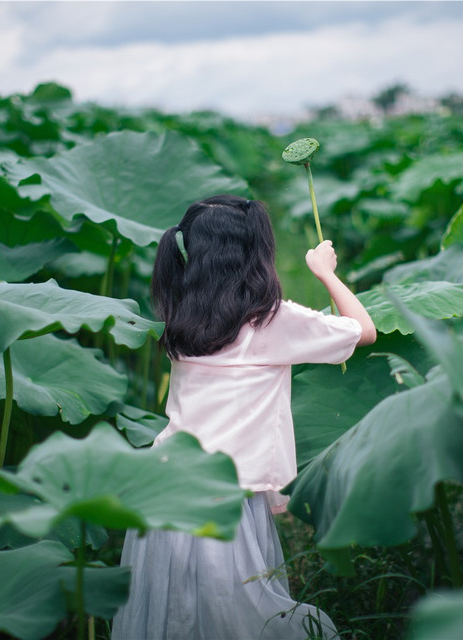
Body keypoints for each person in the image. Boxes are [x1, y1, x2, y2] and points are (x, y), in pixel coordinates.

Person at [111, 194, 376, 640]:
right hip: (222, 494)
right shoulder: (271, 321)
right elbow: (363, 331)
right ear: (254, 255)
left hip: (162, 484)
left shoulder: (181, 316)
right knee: (236, 618)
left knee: (173, 617)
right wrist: (325, 272)